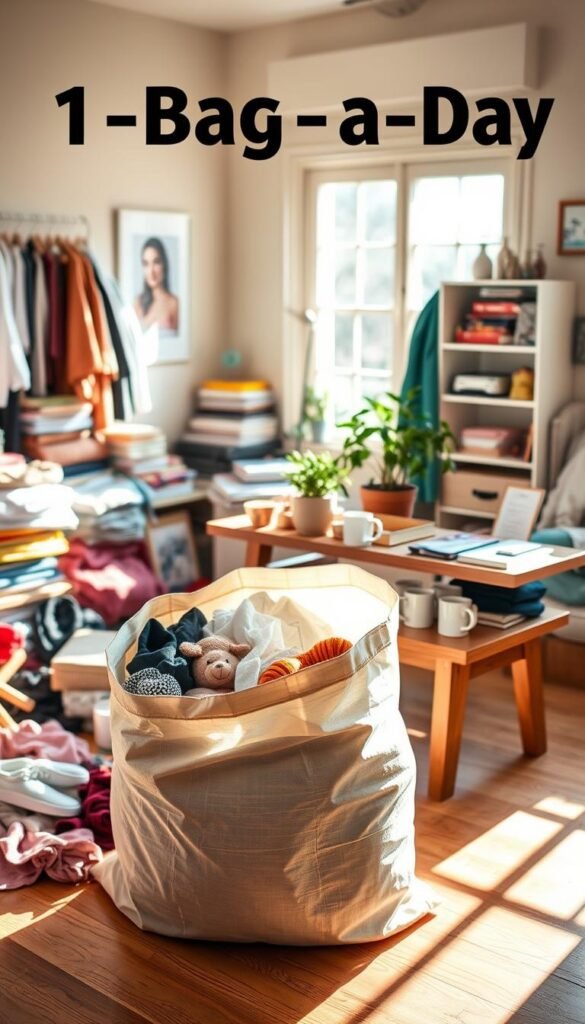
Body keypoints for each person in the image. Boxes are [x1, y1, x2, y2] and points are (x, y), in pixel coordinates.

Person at [134, 237, 179, 332]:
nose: (151, 271)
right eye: (146, 264)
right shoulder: (138, 303)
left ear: (164, 264)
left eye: (156, 262)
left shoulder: (174, 303)